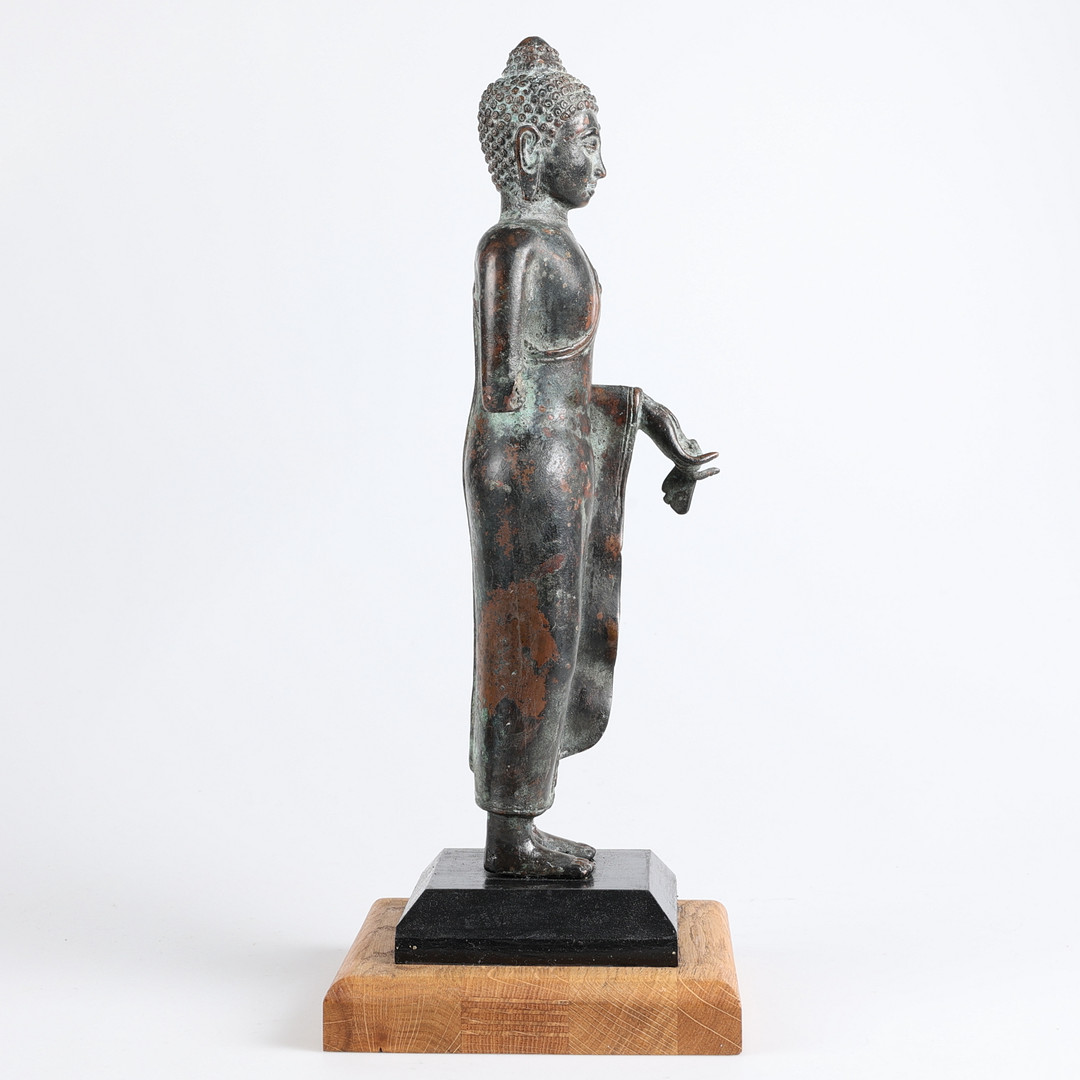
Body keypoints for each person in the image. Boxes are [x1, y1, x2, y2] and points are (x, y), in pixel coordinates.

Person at [466, 38, 717, 877]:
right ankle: (511, 838)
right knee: (523, 636)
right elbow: (507, 392)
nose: (602, 165)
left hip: (553, 462)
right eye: (588, 139)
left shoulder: (550, 244)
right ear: (532, 149)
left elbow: (558, 386)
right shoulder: (512, 249)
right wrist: (564, 443)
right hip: (523, 476)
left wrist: (643, 417)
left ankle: (520, 827)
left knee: (555, 633)